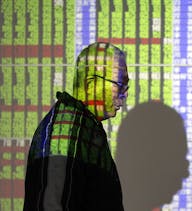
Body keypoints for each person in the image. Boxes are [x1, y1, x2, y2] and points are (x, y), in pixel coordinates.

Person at [23, 42, 129, 211]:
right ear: (90, 85)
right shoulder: (66, 131)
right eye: (120, 85)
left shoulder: (79, 125)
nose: (125, 94)